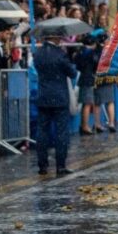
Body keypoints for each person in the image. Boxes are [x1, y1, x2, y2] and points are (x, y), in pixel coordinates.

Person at [33, 32, 78, 175]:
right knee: (61, 133)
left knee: (42, 132)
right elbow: (72, 73)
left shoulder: (38, 53)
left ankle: (42, 166)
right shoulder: (60, 54)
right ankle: (60, 166)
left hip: (43, 97)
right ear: (55, 38)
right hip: (59, 98)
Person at [75, 32, 102, 135]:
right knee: (87, 103)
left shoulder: (80, 52)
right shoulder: (89, 53)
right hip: (88, 79)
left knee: (85, 104)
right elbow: (96, 63)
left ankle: (83, 125)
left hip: (83, 78)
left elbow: (77, 65)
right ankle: (85, 126)